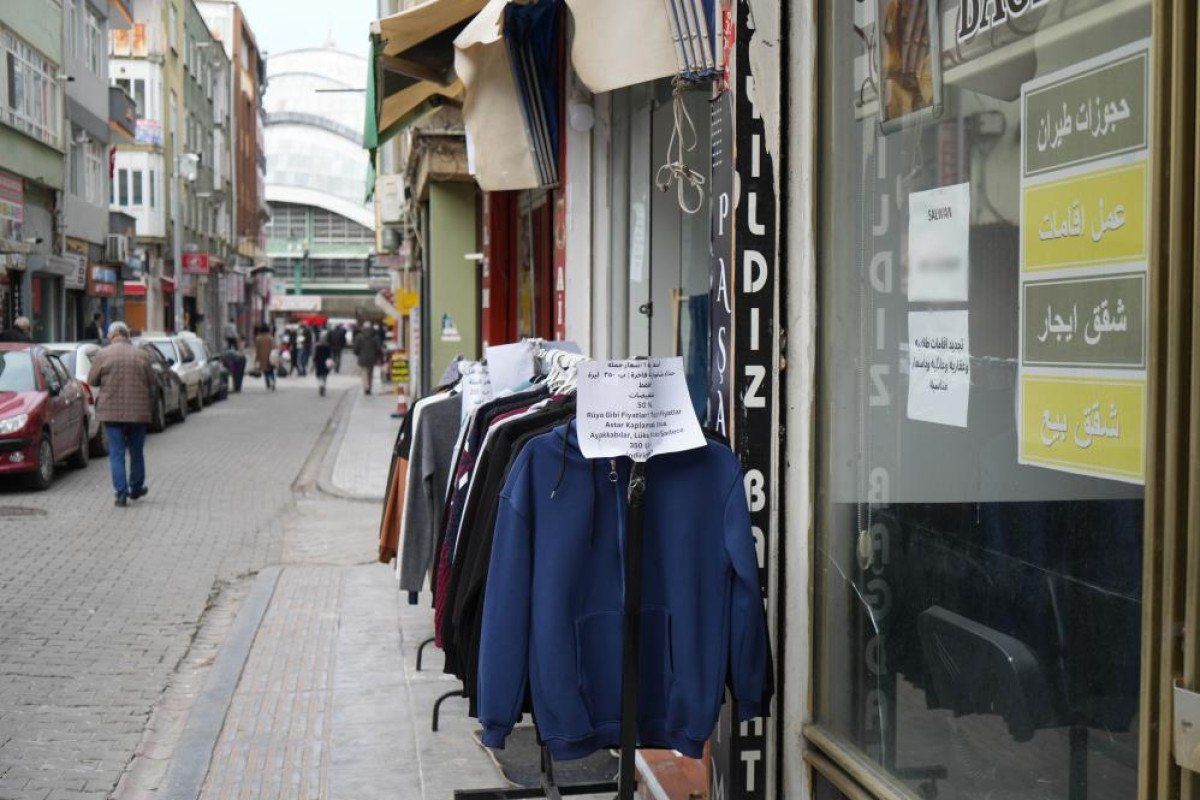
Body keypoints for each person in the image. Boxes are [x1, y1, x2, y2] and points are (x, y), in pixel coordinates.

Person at [87, 321, 157, 507]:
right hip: (138, 413)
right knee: (136, 452)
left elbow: (91, 380)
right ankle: (136, 487)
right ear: (127, 335)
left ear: (111, 336)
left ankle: (121, 494)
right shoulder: (142, 355)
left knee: (116, 454)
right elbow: (152, 381)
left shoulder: (103, 354)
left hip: (112, 413)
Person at [354, 322, 381, 395]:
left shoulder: (359, 336)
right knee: (370, 373)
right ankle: (369, 387)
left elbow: (356, 347)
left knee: (364, 372)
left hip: (362, 357)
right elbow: (378, 348)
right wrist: (377, 355)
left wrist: (357, 353)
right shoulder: (375, 336)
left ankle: (366, 387)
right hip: (372, 357)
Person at [254, 324, 277, 390]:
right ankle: (272, 380)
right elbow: (274, 347)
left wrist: (256, 359)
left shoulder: (258, 338)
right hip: (270, 357)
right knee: (271, 370)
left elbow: (257, 350)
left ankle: (268, 383)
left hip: (262, 357)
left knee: (265, 371)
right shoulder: (270, 337)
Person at [313, 330, 333, 397]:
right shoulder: (328, 346)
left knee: (319, 375)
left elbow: (315, 355)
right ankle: (323, 385)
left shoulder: (317, 346)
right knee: (325, 375)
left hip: (319, 363)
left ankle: (321, 385)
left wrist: (314, 361)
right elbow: (330, 355)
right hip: (326, 363)